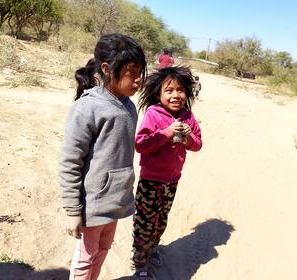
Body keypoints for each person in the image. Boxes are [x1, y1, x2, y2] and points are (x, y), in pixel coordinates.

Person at [58, 33, 147, 280]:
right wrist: (72, 210)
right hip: (93, 203)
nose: (139, 79)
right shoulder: (88, 107)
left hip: (116, 198)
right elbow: (70, 161)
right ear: (107, 69)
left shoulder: (128, 105)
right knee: (86, 258)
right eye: (133, 72)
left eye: (141, 72)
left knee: (104, 249)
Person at [131, 66, 203, 279]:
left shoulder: (188, 117)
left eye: (180, 90)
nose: (175, 95)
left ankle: (152, 250)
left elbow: (198, 144)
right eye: (169, 91)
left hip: (172, 181)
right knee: (145, 222)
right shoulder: (153, 114)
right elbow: (141, 144)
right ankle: (140, 262)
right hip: (151, 181)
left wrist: (189, 138)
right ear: (158, 94)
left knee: (161, 220)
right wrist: (166, 133)